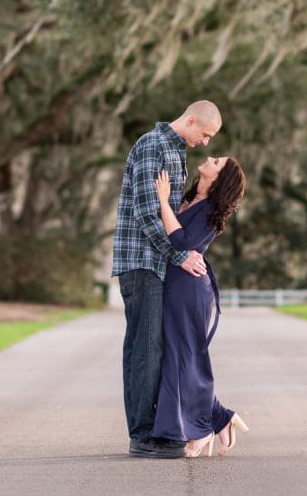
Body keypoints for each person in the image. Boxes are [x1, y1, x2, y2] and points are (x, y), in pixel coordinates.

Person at [113, 101, 222, 459]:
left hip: (155, 264)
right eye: (204, 134)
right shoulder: (152, 146)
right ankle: (143, 435)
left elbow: (175, 217)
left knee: (148, 348)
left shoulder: (175, 153)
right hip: (142, 263)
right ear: (191, 120)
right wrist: (178, 256)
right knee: (146, 348)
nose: (205, 143)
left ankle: (152, 428)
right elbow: (147, 213)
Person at [151, 156, 249, 457]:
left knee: (184, 356)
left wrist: (164, 203)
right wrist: (170, 202)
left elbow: (180, 242)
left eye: (216, 162)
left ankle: (203, 424)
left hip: (191, 290)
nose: (209, 158)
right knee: (178, 356)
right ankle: (215, 418)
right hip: (176, 285)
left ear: (220, 178)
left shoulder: (210, 211)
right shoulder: (190, 197)